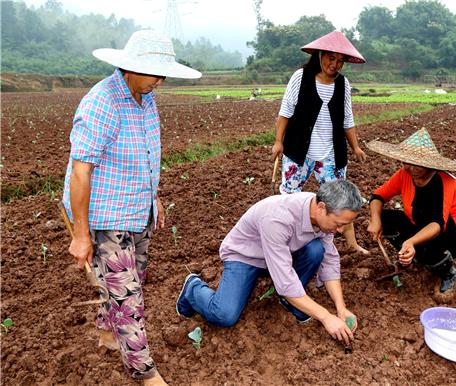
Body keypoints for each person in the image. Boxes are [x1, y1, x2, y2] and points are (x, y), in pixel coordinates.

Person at [62, 30, 201, 386]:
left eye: (162, 73)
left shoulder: (144, 96)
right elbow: (81, 170)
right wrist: (81, 235)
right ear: (128, 67)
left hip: (136, 211)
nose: (160, 80)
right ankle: (146, 375)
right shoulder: (102, 103)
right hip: (105, 216)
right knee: (128, 298)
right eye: (153, 72)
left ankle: (108, 334)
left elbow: (143, 152)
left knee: (132, 281)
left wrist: (152, 196)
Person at [176, 180, 365, 346]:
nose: (341, 230)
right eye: (338, 223)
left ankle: (292, 301)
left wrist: (341, 308)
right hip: (245, 256)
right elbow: (285, 281)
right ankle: (193, 287)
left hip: (281, 254)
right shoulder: (278, 219)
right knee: (224, 315)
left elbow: (330, 261)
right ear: (321, 207)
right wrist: (326, 317)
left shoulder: (320, 213)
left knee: (317, 250)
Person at [270, 30, 369, 255]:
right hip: (299, 151)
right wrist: (278, 142)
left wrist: (355, 146)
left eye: (340, 61)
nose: (335, 65)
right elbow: (285, 111)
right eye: (331, 58)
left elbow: (347, 119)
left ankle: (352, 244)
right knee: (289, 196)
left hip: (330, 154)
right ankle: (286, 241)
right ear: (320, 54)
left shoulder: (343, 84)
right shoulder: (300, 77)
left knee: (341, 198)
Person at [366, 128, 456, 297]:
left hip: (455, 235)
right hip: (422, 224)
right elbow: (378, 196)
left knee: (424, 245)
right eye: (405, 162)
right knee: (385, 217)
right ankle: (415, 254)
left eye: (416, 164)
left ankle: (448, 272)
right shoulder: (404, 174)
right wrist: (375, 220)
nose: (410, 168)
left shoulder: (442, 182)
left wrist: (411, 241)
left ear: (429, 163)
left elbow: (438, 224)